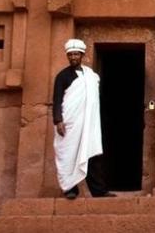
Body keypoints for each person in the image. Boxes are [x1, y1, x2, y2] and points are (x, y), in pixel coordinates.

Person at [52, 38, 114, 199]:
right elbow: (57, 99)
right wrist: (58, 120)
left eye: (76, 54)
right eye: (70, 55)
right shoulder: (62, 76)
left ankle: (99, 191)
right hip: (70, 123)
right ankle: (70, 189)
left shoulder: (91, 76)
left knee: (92, 155)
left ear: (82, 55)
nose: (73, 57)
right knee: (68, 154)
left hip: (89, 124)